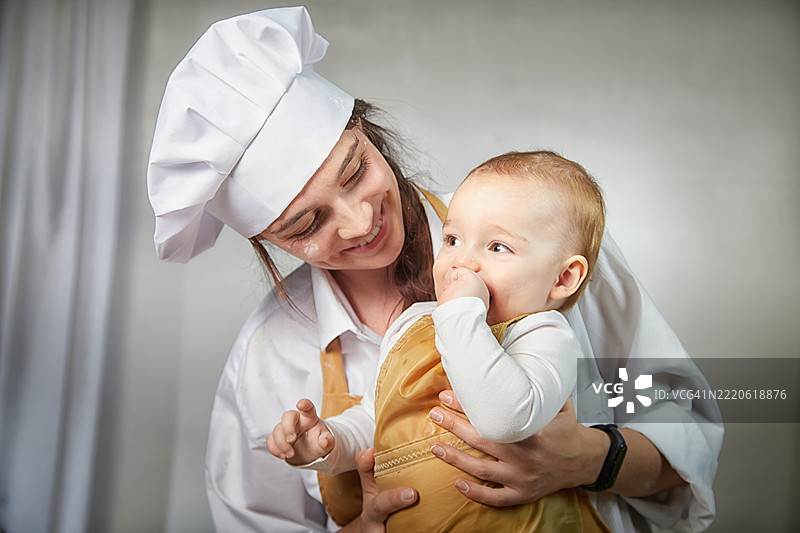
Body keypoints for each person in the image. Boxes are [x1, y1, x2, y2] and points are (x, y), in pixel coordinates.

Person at [146, 7, 723, 533]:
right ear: (267, 240)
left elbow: (687, 432)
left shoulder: (542, 238)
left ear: (368, 132)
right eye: (307, 224)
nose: (359, 222)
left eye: (355, 172)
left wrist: (590, 459)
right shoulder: (270, 356)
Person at [267, 150, 613, 532]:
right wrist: (330, 441)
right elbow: (376, 418)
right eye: (452, 239)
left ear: (564, 279)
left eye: (497, 247)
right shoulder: (413, 325)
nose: (461, 262)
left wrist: (460, 312)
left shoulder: (545, 335)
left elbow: (504, 419)